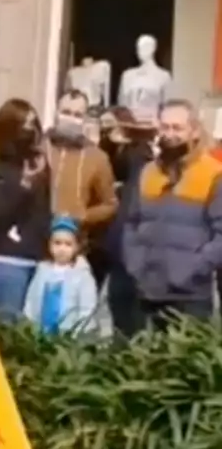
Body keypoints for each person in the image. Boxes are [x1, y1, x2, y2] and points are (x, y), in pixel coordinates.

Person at [122, 99, 222, 328]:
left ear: (194, 131)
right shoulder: (148, 172)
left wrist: (192, 269)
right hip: (148, 291)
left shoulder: (213, 174)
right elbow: (131, 223)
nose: (170, 134)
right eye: (165, 127)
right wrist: (135, 265)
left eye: (177, 128)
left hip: (190, 297)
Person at [0, 99, 52, 318]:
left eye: (33, 124)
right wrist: (24, 185)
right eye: (25, 125)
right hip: (5, 258)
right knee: (7, 330)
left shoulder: (37, 162)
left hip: (37, 258)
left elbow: (44, 209)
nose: (30, 131)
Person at [46, 90, 117, 288]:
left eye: (78, 115)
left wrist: (84, 215)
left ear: (85, 119)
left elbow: (110, 204)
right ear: (56, 112)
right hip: (35, 247)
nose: (71, 118)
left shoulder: (97, 157)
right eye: (66, 112)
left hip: (73, 251)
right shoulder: (40, 148)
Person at [100, 107, 154, 337]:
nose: (107, 132)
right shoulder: (109, 154)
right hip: (116, 246)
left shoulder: (138, 155)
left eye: (111, 127)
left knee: (128, 316)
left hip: (130, 247)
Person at [22, 215, 98, 335]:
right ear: (49, 244)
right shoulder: (42, 271)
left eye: (68, 244)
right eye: (57, 243)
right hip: (41, 334)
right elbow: (31, 301)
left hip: (68, 337)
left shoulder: (82, 275)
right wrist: (30, 326)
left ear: (77, 247)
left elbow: (87, 309)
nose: (62, 249)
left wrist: (78, 333)